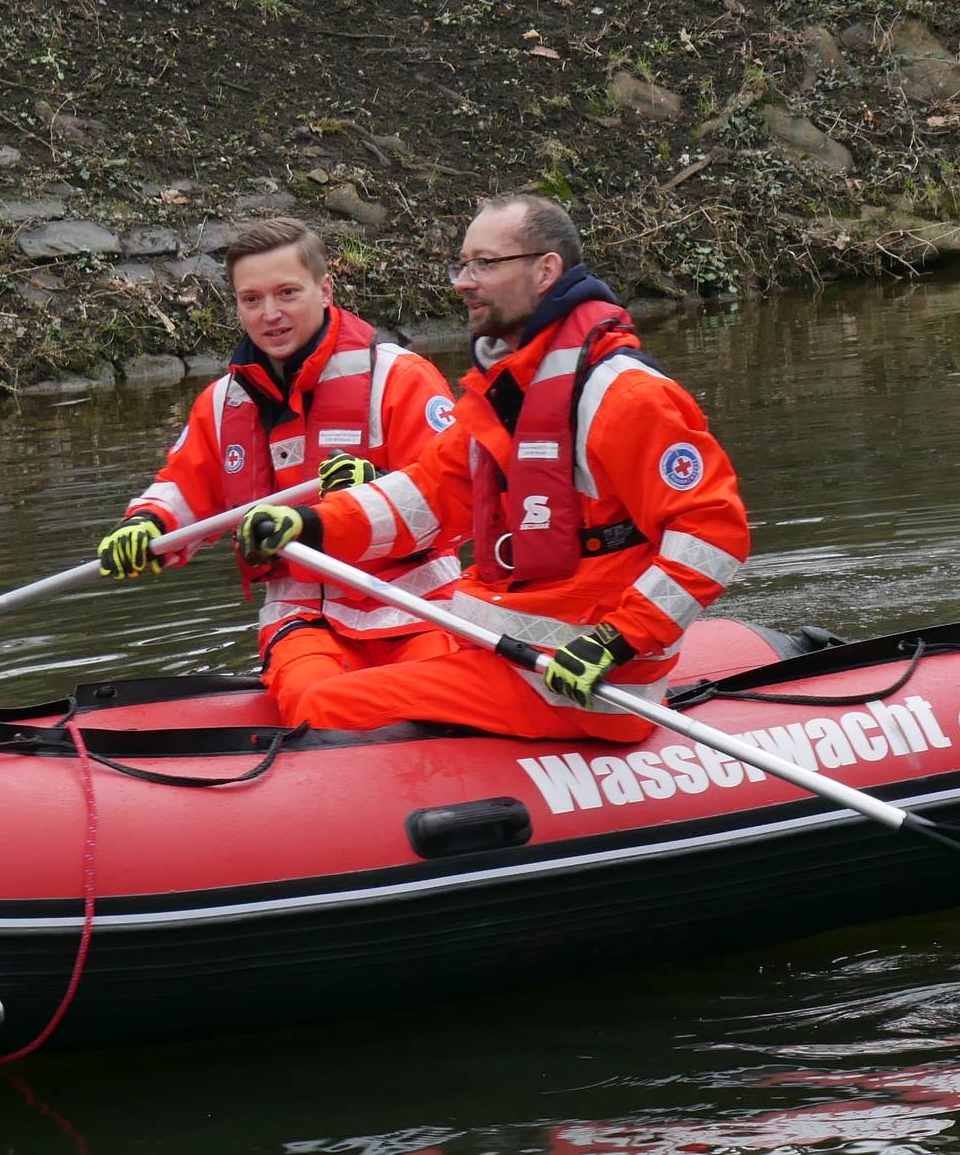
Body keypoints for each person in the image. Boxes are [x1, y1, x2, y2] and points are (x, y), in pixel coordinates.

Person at [234, 194, 749, 743]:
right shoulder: (509, 391)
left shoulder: (622, 395)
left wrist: (616, 640)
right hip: (509, 653)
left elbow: (712, 534)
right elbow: (427, 495)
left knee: (326, 706)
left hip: (579, 682)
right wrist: (314, 525)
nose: (462, 281)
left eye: (485, 263)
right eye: (462, 264)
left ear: (545, 270)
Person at [93, 217, 465, 720]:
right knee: (316, 704)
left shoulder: (398, 378)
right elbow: (185, 486)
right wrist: (147, 525)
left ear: (324, 288)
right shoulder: (223, 403)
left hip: (419, 610)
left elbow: (457, 498)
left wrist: (374, 487)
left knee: (432, 704)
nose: (270, 314)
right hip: (302, 619)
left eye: (287, 293)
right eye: (252, 299)